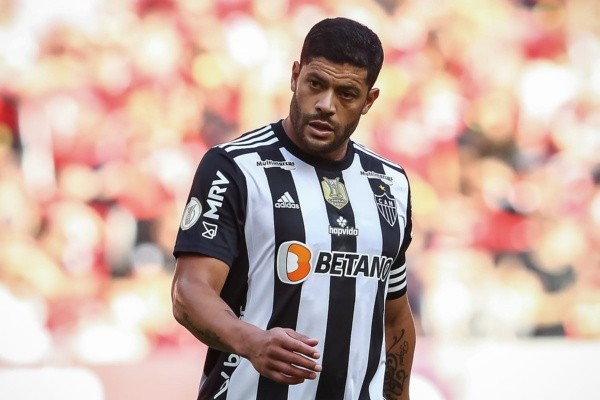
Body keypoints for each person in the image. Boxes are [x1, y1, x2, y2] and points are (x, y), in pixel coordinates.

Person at [172, 17, 416, 400]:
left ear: (369, 101)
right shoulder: (234, 167)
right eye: (315, 84)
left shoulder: (390, 183)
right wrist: (252, 341)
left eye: (347, 94)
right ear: (295, 76)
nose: (326, 105)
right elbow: (189, 292)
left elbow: (395, 318)